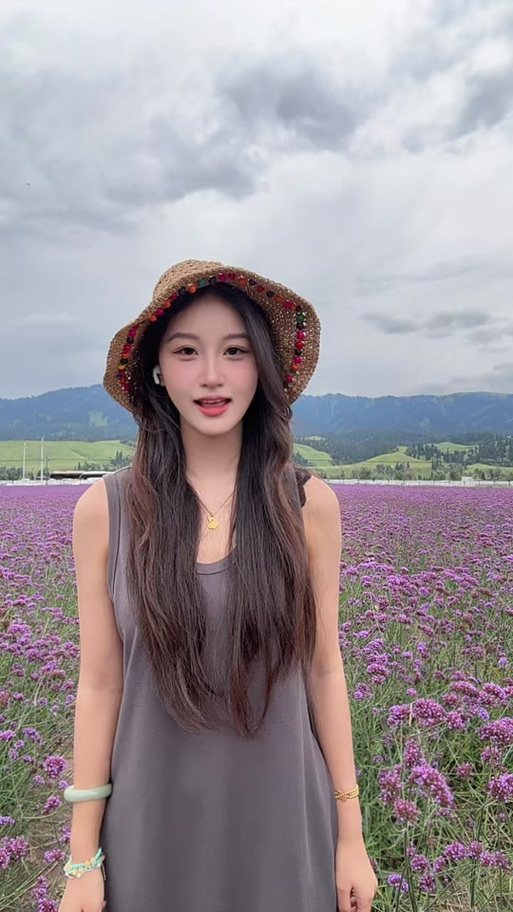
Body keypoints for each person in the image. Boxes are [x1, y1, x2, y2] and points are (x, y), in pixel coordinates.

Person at [58, 259, 378, 912]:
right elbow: (100, 684)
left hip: (286, 826)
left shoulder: (309, 507)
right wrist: (82, 858)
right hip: (150, 830)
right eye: (186, 351)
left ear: (261, 366)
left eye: (234, 351)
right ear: (156, 368)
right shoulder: (104, 511)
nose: (211, 375)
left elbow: (323, 668)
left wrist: (351, 835)